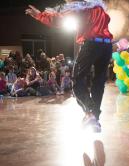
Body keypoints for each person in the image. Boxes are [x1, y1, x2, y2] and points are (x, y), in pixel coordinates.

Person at [25, 0, 113, 132]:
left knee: (77, 81)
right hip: (106, 46)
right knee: (98, 84)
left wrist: (40, 15)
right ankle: (94, 118)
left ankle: (90, 113)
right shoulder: (97, 7)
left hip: (91, 45)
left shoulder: (79, 8)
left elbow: (58, 21)